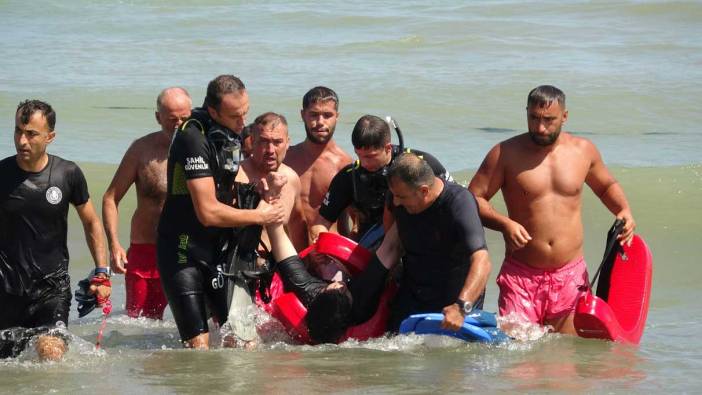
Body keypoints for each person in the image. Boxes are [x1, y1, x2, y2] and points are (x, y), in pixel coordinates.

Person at [468, 85, 636, 335]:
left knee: (564, 361)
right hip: (521, 277)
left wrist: (624, 210)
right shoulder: (505, 153)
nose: (540, 127)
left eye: (549, 120)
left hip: (570, 276)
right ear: (526, 113)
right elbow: (473, 198)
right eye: (533, 118)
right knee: (519, 365)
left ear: (565, 117)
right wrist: (505, 223)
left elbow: (606, 186)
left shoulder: (583, 151)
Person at [156, 75, 285, 349]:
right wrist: (262, 216)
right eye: (235, 116)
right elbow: (208, 212)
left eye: (245, 113)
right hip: (182, 250)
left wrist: (260, 187)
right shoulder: (192, 137)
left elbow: (236, 170)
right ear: (213, 111)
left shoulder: (228, 130)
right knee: (199, 347)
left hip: (219, 248)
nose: (242, 123)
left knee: (245, 342)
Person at [0, 100, 111, 360]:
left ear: (50, 136)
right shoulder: (1, 173)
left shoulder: (68, 174)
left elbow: (92, 222)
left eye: (31, 134)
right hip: (6, 287)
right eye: (18, 131)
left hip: (52, 287)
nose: (22, 141)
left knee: (51, 353)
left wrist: (102, 274)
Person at [102, 87, 192, 319]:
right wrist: (114, 245)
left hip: (187, 249)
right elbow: (111, 198)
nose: (179, 125)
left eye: (185, 118)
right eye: (172, 119)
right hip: (146, 250)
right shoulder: (141, 150)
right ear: (158, 117)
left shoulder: (201, 149)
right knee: (141, 324)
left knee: (200, 323)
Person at [265, 201, 403, 344]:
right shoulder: (362, 303)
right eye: (343, 290)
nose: (340, 284)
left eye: (332, 288)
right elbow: (391, 248)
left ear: (319, 293)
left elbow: (280, 243)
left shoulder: (308, 291)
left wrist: (270, 206)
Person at [386, 153, 491, 332]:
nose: (395, 202)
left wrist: (461, 307)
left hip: (455, 301)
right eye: (394, 195)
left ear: (424, 191)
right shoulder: (398, 200)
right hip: (415, 294)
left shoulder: (459, 202)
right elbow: (389, 248)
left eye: (401, 197)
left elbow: (483, 260)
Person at [311, 114, 452, 246]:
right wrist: (318, 239)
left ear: (388, 148)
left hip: (420, 239)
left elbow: (455, 201)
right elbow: (322, 221)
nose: (364, 163)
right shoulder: (350, 176)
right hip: (372, 245)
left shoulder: (423, 164)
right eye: (359, 155)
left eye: (370, 156)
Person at [224, 112, 302, 346]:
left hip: (275, 273)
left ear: (288, 142)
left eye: (277, 142)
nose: (270, 149)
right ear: (251, 143)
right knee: (242, 342)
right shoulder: (235, 176)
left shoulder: (291, 178)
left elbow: (297, 228)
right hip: (237, 270)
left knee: (285, 341)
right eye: (263, 142)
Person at [283, 86, 353, 251]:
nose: (320, 122)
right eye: (314, 114)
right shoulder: (286, 159)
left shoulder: (344, 164)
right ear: (303, 115)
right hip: (290, 252)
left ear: (337, 117)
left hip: (330, 252)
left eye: (327, 115)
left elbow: (355, 221)